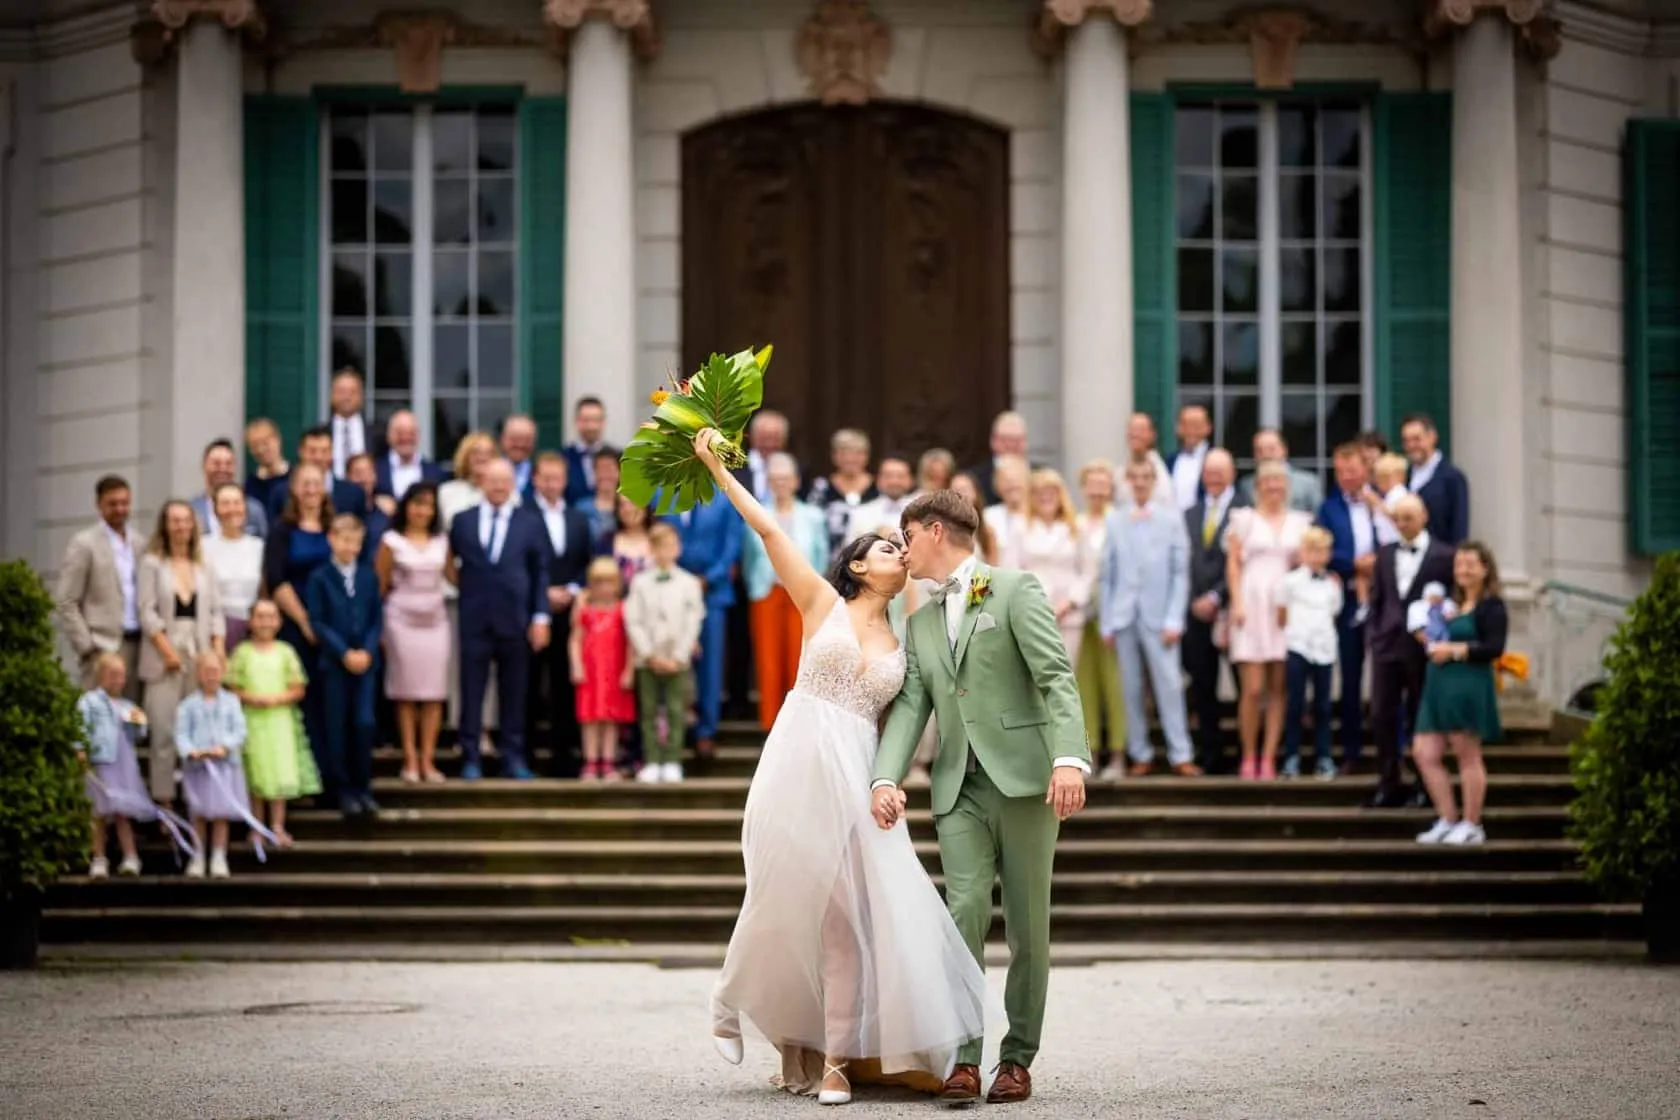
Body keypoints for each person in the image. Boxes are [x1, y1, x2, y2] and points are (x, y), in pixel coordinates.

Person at [695, 439, 987, 1107]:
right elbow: (768, 529)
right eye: (887, 547)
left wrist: (891, 781)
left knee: (843, 918)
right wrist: (717, 467)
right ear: (857, 564)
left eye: (902, 547)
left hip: (855, 772)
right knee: (776, 894)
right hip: (797, 761)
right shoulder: (820, 603)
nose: (900, 553)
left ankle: (834, 1063)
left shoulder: (908, 638)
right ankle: (731, 997)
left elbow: (903, 720)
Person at [872, 487, 1088, 1106]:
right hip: (957, 787)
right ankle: (964, 1058)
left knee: (1027, 925)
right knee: (963, 911)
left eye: (908, 536)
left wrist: (1069, 758)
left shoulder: (1015, 589)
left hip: (1026, 782)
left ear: (935, 531)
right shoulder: (918, 622)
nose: (903, 550)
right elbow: (911, 707)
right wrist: (884, 777)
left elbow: (1055, 677)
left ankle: (1017, 1059)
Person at [449, 458, 552, 781]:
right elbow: (451, 563)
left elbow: (540, 573)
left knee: (515, 692)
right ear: (482, 482)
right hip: (474, 620)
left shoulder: (530, 522)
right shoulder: (462, 521)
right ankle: (470, 756)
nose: (498, 486)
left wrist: (540, 617)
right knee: (471, 690)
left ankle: (512, 757)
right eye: (492, 480)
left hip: (516, 620)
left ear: (513, 484)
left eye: (504, 481)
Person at [1100, 458, 1198, 777]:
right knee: (1130, 687)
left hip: (1160, 616)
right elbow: (1107, 574)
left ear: (1154, 481)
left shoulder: (1171, 519)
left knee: (1169, 684)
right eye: (1134, 477)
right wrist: (1107, 621)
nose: (1140, 482)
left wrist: (1174, 619)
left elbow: (1180, 572)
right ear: (1127, 482)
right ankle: (1140, 753)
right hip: (1124, 615)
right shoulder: (1115, 519)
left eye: (1146, 477)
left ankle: (1180, 753)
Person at [1413, 541, 1507, 845]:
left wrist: (1453, 650)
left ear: (1485, 569)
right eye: (1459, 564)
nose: (1462, 570)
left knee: (1467, 754)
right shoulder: (1450, 604)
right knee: (1425, 752)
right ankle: (1447, 818)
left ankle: (1472, 823)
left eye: (1469, 564)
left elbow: (1493, 648)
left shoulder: (1492, 606)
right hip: (1438, 685)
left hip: (1468, 684)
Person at [1365, 495, 1457, 806]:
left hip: (1423, 648)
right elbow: (1377, 598)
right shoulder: (1385, 553)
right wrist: (1374, 633)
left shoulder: (1445, 555)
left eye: (1408, 517)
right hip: (1387, 644)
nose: (1402, 524)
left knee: (1421, 714)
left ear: (1424, 516)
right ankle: (1388, 783)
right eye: (1398, 519)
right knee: (1381, 713)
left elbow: (1450, 601)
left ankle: (1424, 785)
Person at [1225, 461, 1313, 780]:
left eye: (1279, 481)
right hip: (1251, 603)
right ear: (1258, 486)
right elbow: (1233, 565)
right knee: (1252, 689)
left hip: (1284, 607)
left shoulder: (1301, 522)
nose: (1274, 486)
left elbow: (1307, 564)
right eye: (1268, 481)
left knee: (1278, 688)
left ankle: (1268, 756)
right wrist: (1237, 602)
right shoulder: (1243, 519)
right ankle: (1248, 754)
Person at [139, 500, 226, 802]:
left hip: (198, 657)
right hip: (163, 657)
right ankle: (164, 803)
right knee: (164, 733)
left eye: (186, 520)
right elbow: (146, 611)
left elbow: (216, 611)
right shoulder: (152, 563)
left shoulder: (203, 565)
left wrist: (217, 650)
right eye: (174, 520)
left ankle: (197, 802)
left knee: (199, 733)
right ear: (165, 526)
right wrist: (168, 652)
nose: (181, 526)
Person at [306, 513, 384, 816]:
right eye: (345, 540)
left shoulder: (368, 576)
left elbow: (376, 618)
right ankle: (343, 789)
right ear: (332, 539)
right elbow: (318, 622)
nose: (350, 547)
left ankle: (363, 787)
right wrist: (343, 652)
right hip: (334, 664)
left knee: (363, 723)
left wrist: (367, 650)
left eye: (356, 542)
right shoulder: (320, 577)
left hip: (365, 664)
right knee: (336, 726)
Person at [743, 452, 827, 729]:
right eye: (775, 479)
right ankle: (770, 726)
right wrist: (755, 586)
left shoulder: (813, 516)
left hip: (802, 596)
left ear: (796, 481)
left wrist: (814, 592)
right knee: (767, 661)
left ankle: (798, 726)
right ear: (768, 482)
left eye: (786, 478)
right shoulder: (756, 513)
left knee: (799, 659)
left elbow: (821, 556)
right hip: (767, 593)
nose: (781, 483)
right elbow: (749, 558)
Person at [262, 462, 335, 775]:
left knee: (330, 703)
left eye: (316, 483)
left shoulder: (335, 528)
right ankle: (304, 775)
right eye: (304, 483)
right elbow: (276, 579)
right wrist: (305, 622)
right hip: (295, 626)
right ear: (293, 489)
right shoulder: (282, 531)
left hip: (333, 629)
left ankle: (331, 776)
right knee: (303, 702)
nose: (311, 490)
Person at [376, 482, 451, 784]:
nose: (422, 511)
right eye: (417, 504)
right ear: (406, 507)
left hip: (435, 621)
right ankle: (409, 760)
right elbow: (380, 586)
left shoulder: (442, 541)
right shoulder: (391, 541)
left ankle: (428, 760)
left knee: (434, 693)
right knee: (405, 692)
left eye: (428, 505)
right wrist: (379, 630)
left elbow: (455, 577)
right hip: (401, 620)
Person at [228, 599, 317, 846]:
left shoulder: (286, 651)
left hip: (280, 721)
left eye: (270, 617)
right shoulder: (242, 652)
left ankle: (278, 825)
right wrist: (252, 698)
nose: (265, 622)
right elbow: (232, 687)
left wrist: (277, 699)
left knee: (278, 771)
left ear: (279, 622)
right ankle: (256, 826)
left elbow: (298, 687)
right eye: (260, 617)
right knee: (257, 772)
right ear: (250, 621)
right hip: (252, 720)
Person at [664, 484, 743, 760]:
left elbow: (731, 546)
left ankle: (705, 731)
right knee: (672, 657)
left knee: (710, 664)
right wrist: (680, 581)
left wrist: (709, 578)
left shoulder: (724, 499)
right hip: (672, 592)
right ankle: (672, 730)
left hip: (712, 592)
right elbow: (659, 539)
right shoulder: (663, 495)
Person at [528, 454, 594, 776]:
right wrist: (544, 592)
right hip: (533, 611)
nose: (552, 484)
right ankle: (526, 757)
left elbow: (587, 561)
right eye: (546, 478)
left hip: (570, 612)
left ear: (565, 481)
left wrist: (572, 588)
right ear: (535, 480)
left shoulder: (578, 518)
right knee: (529, 685)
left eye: (557, 478)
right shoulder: (523, 515)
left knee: (565, 684)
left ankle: (564, 756)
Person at [625, 522, 705, 783]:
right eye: (660, 547)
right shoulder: (639, 582)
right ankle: (651, 760)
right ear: (651, 549)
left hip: (677, 660)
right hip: (647, 659)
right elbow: (633, 619)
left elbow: (694, 620)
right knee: (648, 711)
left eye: (671, 546)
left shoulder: (689, 582)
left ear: (678, 549)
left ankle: (672, 760)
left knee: (675, 710)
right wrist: (649, 654)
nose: (665, 552)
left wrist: (679, 656)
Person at [1315, 442, 1377, 773]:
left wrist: (1376, 562)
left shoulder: (1379, 502)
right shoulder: (1328, 509)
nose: (1346, 477)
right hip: (1348, 599)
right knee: (1350, 677)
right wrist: (1355, 564)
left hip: (1382, 599)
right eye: (1340, 472)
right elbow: (1323, 550)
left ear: (1365, 470)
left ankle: (1392, 751)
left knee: (1386, 675)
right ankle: (1352, 752)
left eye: (1352, 470)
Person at [1183, 450, 1246, 774]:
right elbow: (1184, 561)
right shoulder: (1190, 514)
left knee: (1243, 685)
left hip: (1233, 609)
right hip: (1195, 613)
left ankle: (1246, 753)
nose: (1214, 478)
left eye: (1220, 472)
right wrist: (1195, 599)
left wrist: (1216, 596)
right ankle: (1211, 754)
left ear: (1232, 473)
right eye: (1209, 472)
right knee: (1203, 685)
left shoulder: (1245, 511)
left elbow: (1241, 561)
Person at [56, 475, 144, 693]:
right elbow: (66, 600)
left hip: (137, 645)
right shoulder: (84, 544)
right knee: (100, 711)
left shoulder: (139, 543)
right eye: (112, 504)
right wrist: (87, 647)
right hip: (102, 647)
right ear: (99, 506)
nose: (120, 509)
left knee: (132, 711)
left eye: (124, 503)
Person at [175, 650, 250, 879]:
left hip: (224, 767)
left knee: (221, 814)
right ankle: (197, 856)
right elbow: (181, 733)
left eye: (215, 671)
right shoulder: (188, 705)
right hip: (198, 769)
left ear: (223, 673)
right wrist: (190, 751)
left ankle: (219, 856)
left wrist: (225, 746)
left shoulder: (231, 701)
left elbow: (239, 730)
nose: (211, 676)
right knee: (198, 813)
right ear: (198, 674)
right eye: (206, 671)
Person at [77, 651, 150, 878]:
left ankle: (131, 857)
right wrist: (80, 749)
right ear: (101, 675)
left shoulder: (127, 705)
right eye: (112, 674)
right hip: (101, 764)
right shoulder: (89, 702)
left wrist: (139, 724)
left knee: (122, 812)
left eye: (121, 675)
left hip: (123, 765)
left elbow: (136, 735)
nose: (118, 680)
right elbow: (80, 727)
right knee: (98, 813)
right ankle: (99, 858)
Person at [1073, 460, 1125, 778]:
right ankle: (1088, 752)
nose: (1097, 490)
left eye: (1103, 484)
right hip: (1080, 615)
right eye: (1091, 484)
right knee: (1083, 687)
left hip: (1113, 616)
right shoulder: (1075, 522)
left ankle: (1118, 754)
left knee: (1114, 686)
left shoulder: (1119, 521)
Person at [1278, 527, 1342, 780]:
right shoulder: (1290, 581)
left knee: (1323, 706)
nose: (1317, 556)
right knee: (1295, 703)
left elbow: (1334, 612)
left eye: (1322, 551)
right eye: (1312, 551)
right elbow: (1281, 614)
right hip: (1298, 647)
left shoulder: (1333, 584)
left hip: (1324, 649)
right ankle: (1291, 756)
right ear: (1302, 553)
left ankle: (1324, 757)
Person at [569, 557, 636, 781]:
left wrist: (629, 670)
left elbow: (631, 643)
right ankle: (590, 761)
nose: (604, 588)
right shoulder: (584, 610)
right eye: (599, 583)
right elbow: (575, 639)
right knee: (590, 718)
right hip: (591, 672)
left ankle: (608, 761)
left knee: (611, 718)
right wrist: (576, 665)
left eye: (609, 582)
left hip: (614, 671)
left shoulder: (623, 609)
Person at [1018, 468, 1091, 662]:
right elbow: (1012, 571)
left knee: (1067, 669)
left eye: (1051, 491)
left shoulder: (1076, 527)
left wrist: (1070, 602)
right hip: (1033, 612)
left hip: (1069, 613)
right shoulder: (1021, 527)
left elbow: (1087, 572)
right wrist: (1031, 603)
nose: (1046, 497)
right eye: (1039, 492)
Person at [201, 484, 265, 647]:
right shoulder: (202, 547)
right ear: (215, 510)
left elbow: (264, 592)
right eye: (225, 503)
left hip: (252, 630)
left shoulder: (258, 546)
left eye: (237, 503)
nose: (232, 509)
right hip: (213, 630)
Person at [266, 425, 364, 522]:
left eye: (324, 451)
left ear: (332, 453)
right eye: (312, 451)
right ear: (300, 452)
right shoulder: (281, 492)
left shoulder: (353, 493)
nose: (318, 457)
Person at [1402, 412, 1471, 546]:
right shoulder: (1404, 476)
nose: (1411, 446)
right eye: (1406, 441)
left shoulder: (1452, 477)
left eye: (1416, 439)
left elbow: (1459, 528)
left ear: (1432, 437)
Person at [805, 428, 877, 556]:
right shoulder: (821, 487)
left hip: (870, 557)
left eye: (857, 453)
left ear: (866, 456)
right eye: (844, 453)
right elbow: (811, 524)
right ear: (834, 456)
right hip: (829, 559)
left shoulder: (878, 487)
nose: (850, 458)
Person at [190, 439, 268, 538]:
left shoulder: (254, 509)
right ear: (204, 466)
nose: (222, 469)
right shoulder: (192, 511)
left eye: (228, 464)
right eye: (216, 464)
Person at [374, 409, 446, 512]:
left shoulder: (435, 472)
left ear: (418, 436)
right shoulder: (375, 469)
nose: (405, 438)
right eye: (399, 433)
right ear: (389, 435)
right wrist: (374, 501)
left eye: (411, 433)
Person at [1239, 428, 1323, 514]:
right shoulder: (1247, 485)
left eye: (1271, 449)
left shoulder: (1307, 482)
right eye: (1259, 451)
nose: (1266, 455)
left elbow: (1319, 517)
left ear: (1284, 450)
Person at [845, 453, 916, 543]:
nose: (894, 481)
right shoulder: (860, 513)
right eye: (888, 476)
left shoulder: (922, 513)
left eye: (900, 476)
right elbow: (850, 548)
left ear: (910, 480)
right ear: (878, 480)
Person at [964, 410, 1029, 505]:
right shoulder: (974, 479)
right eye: (1005, 440)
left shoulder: (1039, 475)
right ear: (993, 440)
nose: (1010, 445)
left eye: (1016, 440)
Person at [438, 430, 497, 528]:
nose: (482, 457)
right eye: (476, 452)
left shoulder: (506, 493)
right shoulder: (446, 492)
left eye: (488, 453)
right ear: (465, 457)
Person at [983, 453, 1030, 564]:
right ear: (996, 485)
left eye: (1017, 479)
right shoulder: (987, 516)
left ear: (1028, 482)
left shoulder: (1039, 516)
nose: (1012, 485)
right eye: (1006, 480)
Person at [343, 452, 392, 557]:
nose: (364, 479)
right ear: (347, 477)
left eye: (368, 473)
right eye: (358, 473)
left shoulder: (386, 510)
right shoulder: (340, 508)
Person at [563, 396, 609, 505]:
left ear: (603, 423)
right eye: (586, 420)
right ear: (576, 422)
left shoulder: (618, 458)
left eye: (596, 420)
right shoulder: (563, 458)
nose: (591, 426)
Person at [1125, 412, 1175, 509]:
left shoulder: (1158, 471)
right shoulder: (1122, 469)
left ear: (1152, 435)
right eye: (1132, 429)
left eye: (1140, 430)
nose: (1135, 434)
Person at [1168, 403, 1213, 512]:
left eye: (1196, 426)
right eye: (1186, 425)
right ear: (1178, 428)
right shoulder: (1169, 461)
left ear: (1208, 428)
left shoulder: (1216, 460)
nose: (1191, 430)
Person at [243, 417, 290, 517]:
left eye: (265, 443)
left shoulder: (295, 478)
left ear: (277, 440)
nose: (260, 450)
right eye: (255, 446)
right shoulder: (250, 484)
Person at [327, 368, 368, 479]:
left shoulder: (378, 435)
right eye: (341, 392)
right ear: (331, 395)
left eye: (352, 392)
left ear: (361, 396)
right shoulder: (323, 433)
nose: (347, 397)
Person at [950, 472, 997, 564]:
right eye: (956, 490)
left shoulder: (987, 532)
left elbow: (993, 566)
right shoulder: (943, 532)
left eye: (965, 489)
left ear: (975, 493)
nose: (961, 495)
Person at [611, 494, 656, 589]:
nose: (628, 509)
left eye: (633, 503)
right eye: (622, 505)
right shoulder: (605, 540)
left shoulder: (660, 537)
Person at [584, 446, 623, 552]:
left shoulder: (630, 506)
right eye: (600, 469)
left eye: (610, 469)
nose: (605, 475)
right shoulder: (581, 509)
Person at [500, 413, 539, 502]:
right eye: (515, 439)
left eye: (527, 440)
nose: (520, 444)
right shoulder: (488, 473)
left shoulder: (540, 472)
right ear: (503, 439)